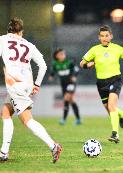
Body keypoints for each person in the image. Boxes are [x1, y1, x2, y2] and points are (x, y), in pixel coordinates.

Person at [0, 18, 62, 163]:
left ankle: (53, 146)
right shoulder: (29, 44)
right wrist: (37, 84)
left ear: (8, 30)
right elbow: (43, 66)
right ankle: (4, 151)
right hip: (26, 83)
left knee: (27, 119)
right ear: (21, 32)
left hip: (15, 83)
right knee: (6, 112)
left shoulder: (2, 40)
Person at [80, 25, 123, 143]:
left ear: (111, 36)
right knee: (110, 109)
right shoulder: (94, 50)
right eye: (102, 36)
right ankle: (122, 114)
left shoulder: (118, 48)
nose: (104, 38)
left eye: (107, 36)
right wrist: (87, 65)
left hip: (115, 80)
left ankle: (115, 134)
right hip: (101, 83)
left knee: (111, 106)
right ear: (99, 37)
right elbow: (82, 63)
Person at [49, 48, 81, 126]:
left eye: (63, 54)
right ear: (56, 56)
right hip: (63, 85)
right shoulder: (55, 63)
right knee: (71, 100)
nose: (63, 55)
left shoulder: (69, 62)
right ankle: (78, 119)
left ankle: (63, 119)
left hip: (71, 83)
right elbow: (53, 71)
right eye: (61, 54)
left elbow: (76, 70)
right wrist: (51, 76)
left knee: (66, 98)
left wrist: (74, 76)